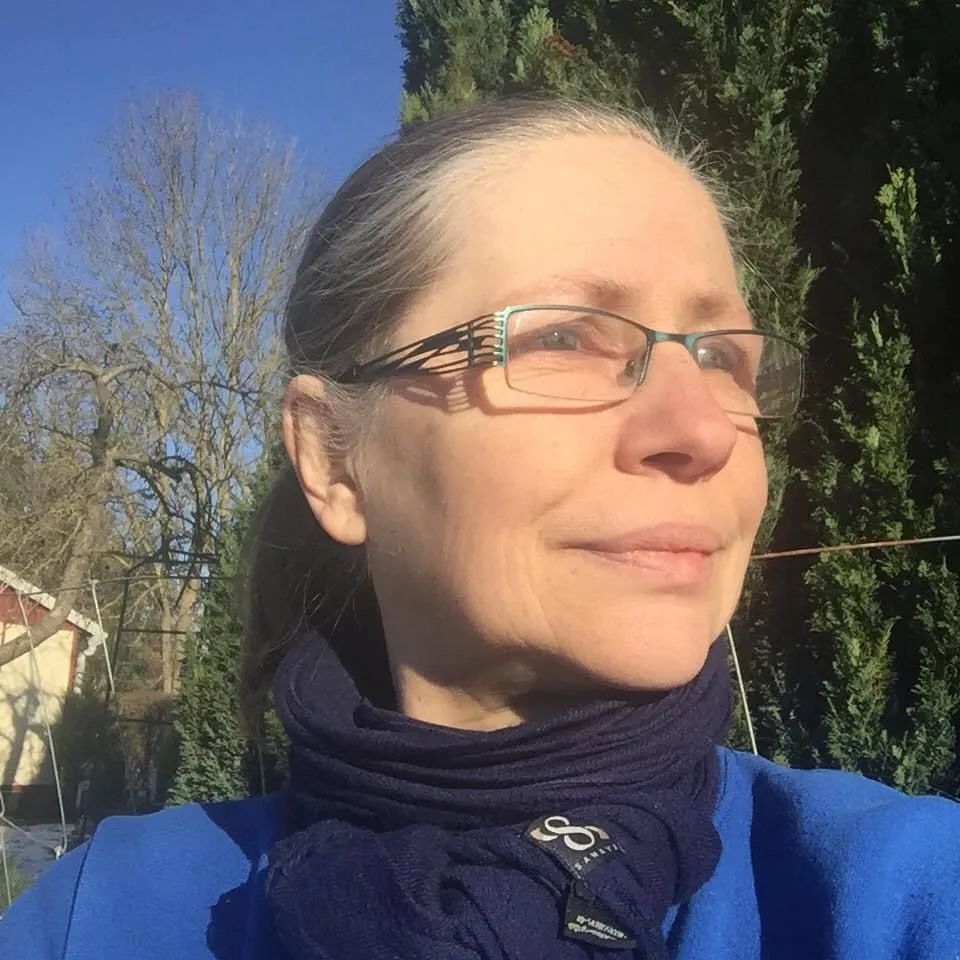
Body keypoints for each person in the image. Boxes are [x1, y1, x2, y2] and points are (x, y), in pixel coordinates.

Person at [2, 95, 958, 960]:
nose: (702, 429)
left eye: (720, 357)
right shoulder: (102, 920)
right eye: (564, 337)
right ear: (334, 459)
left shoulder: (895, 895)